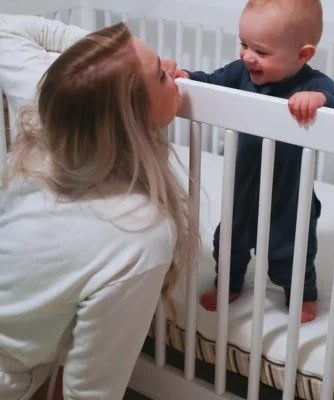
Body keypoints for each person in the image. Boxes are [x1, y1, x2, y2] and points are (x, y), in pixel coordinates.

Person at [0, 17, 197, 400]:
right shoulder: (137, 233)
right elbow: (89, 392)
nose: (173, 74)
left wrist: (102, 61)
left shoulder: (50, 103)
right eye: (160, 75)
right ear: (130, 121)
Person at [170, 0, 334, 322]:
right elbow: (210, 82)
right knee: (229, 240)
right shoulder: (240, 72)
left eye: (261, 52)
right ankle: (228, 283)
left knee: (292, 251)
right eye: (243, 44)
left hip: (290, 195)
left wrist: (322, 101)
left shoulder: (312, 85)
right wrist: (188, 77)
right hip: (244, 187)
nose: (247, 56)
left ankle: (301, 294)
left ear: (303, 55)